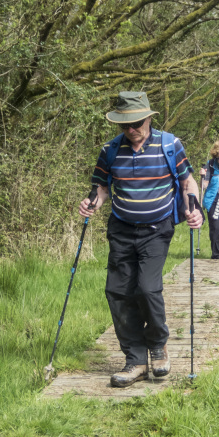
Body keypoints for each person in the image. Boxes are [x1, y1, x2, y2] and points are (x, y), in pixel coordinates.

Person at [79, 91, 203, 388]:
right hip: (121, 228)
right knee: (118, 292)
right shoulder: (110, 150)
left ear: (148, 118)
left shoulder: (169, 144)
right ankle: (135, 360)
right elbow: (100, 187)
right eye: (125, 125)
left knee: (147, 288)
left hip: (156, 229)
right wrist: (91, 203)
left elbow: (187, 181)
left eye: (136, 123)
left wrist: (194, 207)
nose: (131, 129)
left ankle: (158, 346)